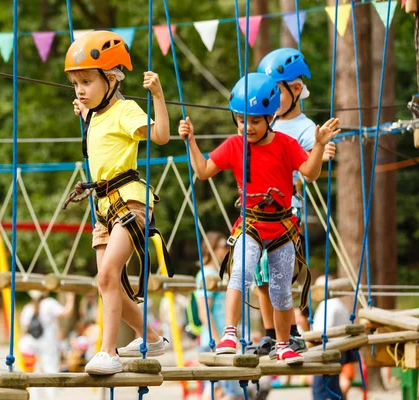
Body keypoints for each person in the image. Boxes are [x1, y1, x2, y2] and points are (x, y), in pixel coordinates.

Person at [178, 72, 340, 364]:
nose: (247, 127)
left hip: (282, 227)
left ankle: (283, 344)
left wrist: (317, 145)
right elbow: (202, 171)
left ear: (270, 118)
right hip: (250, 223)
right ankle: (230, 333)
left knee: (280, 289)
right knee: (241, 270)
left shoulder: (286, 144)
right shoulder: (233, 145)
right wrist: (190, 140)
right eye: (241, 120)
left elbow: (311, 174)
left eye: (254, 121)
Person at [64, 30, 171, 375]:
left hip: (130, 204)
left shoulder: (126, 109)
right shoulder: (95, 115)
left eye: (86, 81)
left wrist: (157, 95)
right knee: (107, 283)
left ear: (111, 79)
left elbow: (160, 136)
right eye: (75, 83)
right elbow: (99, 128)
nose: (79, 89)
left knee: (109, 275)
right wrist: (84, 110)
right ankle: (152, 337)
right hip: (103, 209)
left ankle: (107, 351)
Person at [246, 48, 337, 358]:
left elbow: (311, 168)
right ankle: (272, 334)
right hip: (256, 210)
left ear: (296, 89)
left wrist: (320, 153)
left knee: (276, 276)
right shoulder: (264, 125)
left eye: (275, 92)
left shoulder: (304, 129)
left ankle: (291, 333)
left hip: (285, 211)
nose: (268, 99)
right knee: (259, 277)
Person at [195, 231, 241, 400]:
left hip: (221, 341)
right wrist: (218, 339)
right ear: (211, 249)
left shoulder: (220, 274)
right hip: (214, 341)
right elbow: (204, 312)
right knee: (233, 393)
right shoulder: (207, 275)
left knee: (216, 388)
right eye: (223, 246)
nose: (228, 250)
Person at [19, 290, 75, 400]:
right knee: (51, 371)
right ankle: (52, 397)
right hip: (48, 344)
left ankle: (35, 398)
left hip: (32, 344)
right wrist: (71, 299)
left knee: (35, 373)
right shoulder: (49, 303)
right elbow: (66, 313)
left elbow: (24, 329)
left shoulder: (27, 308)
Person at [311, 275, 357, 400]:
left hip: (326, 354)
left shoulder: (328, 305)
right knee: (333, 388)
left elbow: (320, 332)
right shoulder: (340, 306)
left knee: (321, 390)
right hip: (339, 353)